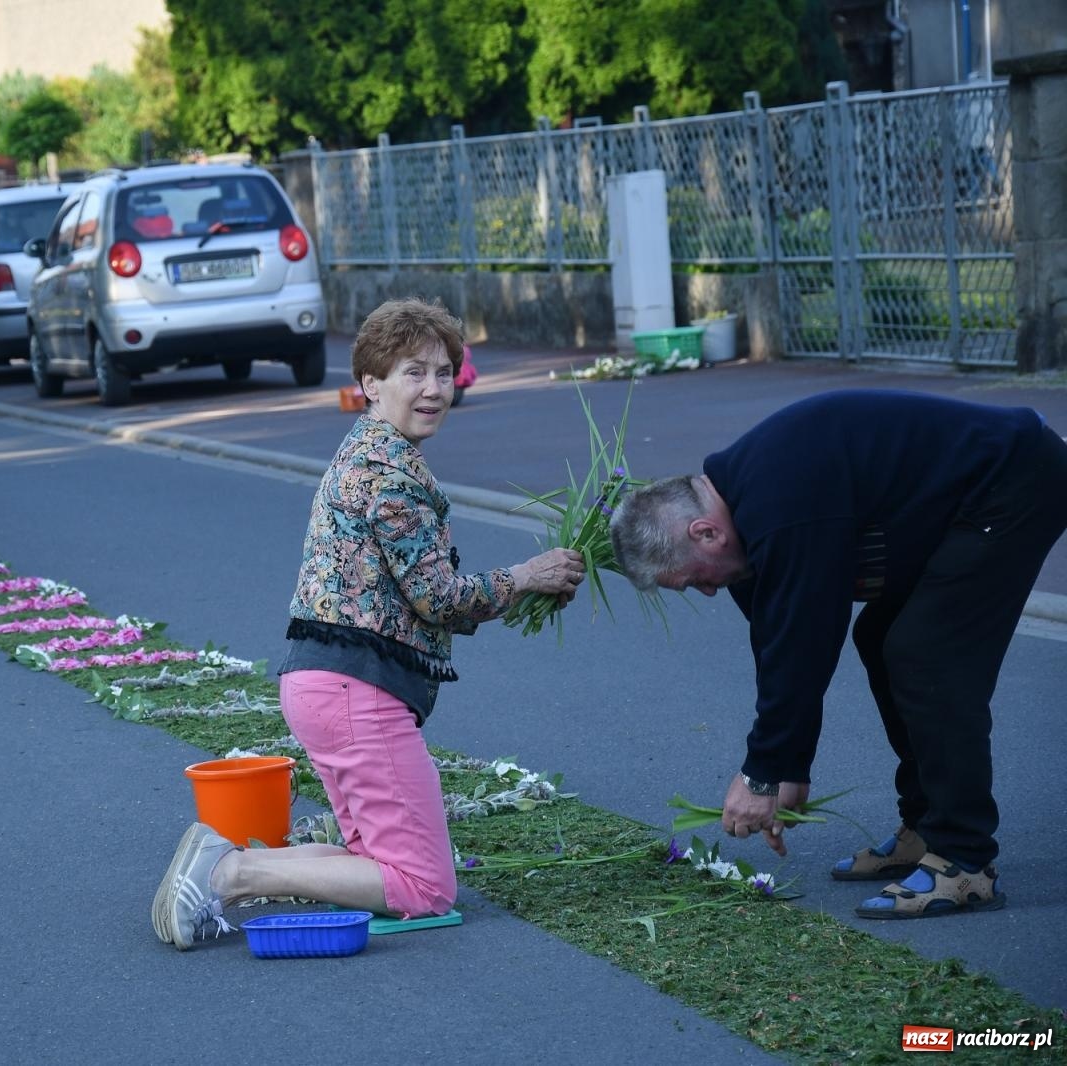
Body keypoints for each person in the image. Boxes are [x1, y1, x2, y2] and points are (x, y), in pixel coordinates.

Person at [150, 298, 587, 950]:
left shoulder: (372, 450)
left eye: (444, 372)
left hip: (331, 685)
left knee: (378, 857)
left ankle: (221, 861)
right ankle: (230, 872)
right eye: (413, 372)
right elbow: (437, 597)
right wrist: (526, 577)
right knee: (422, 886)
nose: (434, 388)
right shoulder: (389, 471)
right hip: (357, 691)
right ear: (371, 385)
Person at [608, 390, 1067, 920]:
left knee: (926, 653)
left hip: (1013, 480)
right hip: (962, 498)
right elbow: (778, 645)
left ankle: (966, 862)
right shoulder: (744, 518)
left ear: (705, 532)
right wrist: (787, 770)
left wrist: (762, 775)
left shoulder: (780, 507)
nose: (706, 592)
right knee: (882, 637)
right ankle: (925, 829)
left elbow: (807, 641)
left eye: (692, 581)